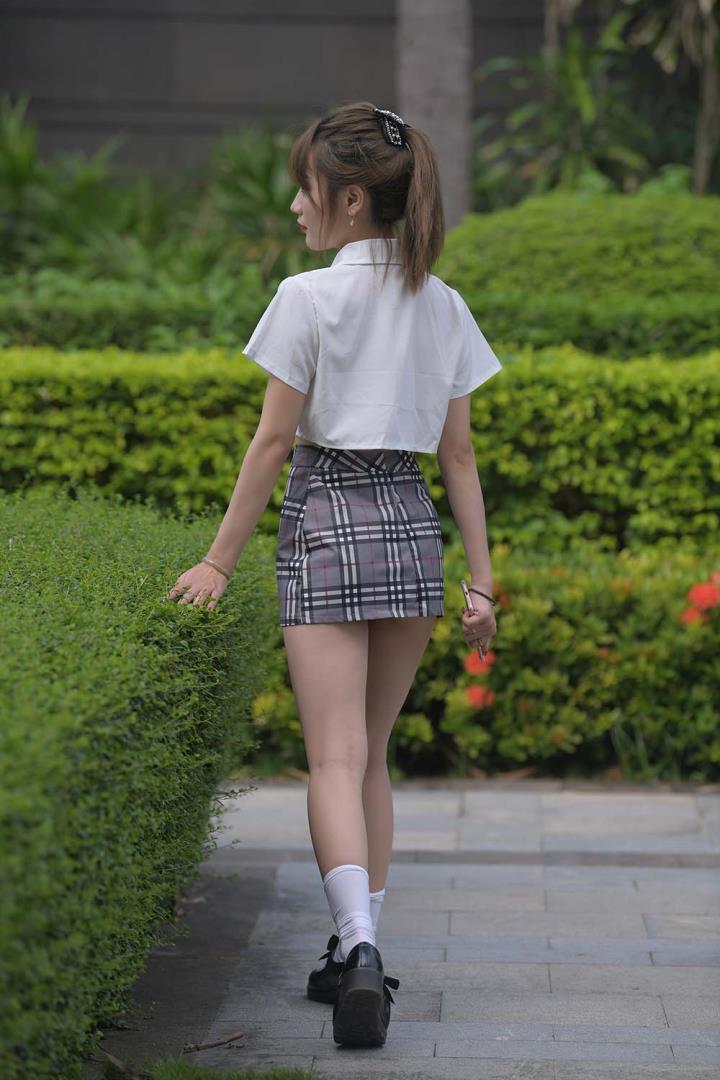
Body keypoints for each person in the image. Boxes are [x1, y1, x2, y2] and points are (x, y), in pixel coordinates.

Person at [166, 100, 501, 1048]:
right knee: (373, 756)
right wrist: (482, 586)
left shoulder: (306, 296)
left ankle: (355, 948)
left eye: (305, 189)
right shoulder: (443, 302)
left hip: (325, 520)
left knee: (334, 760)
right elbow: (460, 458)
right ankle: (358, 952)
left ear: (351, 198)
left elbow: (274, 443)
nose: (294, 206)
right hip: (411, 527)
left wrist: (218, 561)